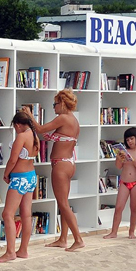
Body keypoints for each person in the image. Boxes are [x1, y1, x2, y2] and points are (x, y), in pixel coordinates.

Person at [23, 89, 84, 251]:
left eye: (54, 104)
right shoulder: (73, 120)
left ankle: (78, 239)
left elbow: (41, 130)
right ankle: (63, 238)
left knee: (63, 203)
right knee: (63, 203)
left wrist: (29, 115)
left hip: (61, 165)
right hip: (69, 162)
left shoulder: (63, 118)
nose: (53, 108)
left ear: (62, 103)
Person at [0, 112, 40, 263]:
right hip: (31, 176)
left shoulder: (22, 137)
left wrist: (6, 174)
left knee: (8, 214)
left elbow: (13, 159)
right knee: (26, 214)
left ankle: (10, 252)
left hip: (19, 179)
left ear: (18, 125)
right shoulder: (35, 136)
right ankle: (23, 250)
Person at [104, 127, 136, 239]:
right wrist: (119, 158)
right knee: (119, 207)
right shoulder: (123, 151)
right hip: (124, 182)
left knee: (134, 207)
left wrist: (132, 159)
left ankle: (131, 232)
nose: (130, 142)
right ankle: (114, 232)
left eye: (132, 139)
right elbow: (118, 167)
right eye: (127, 140)